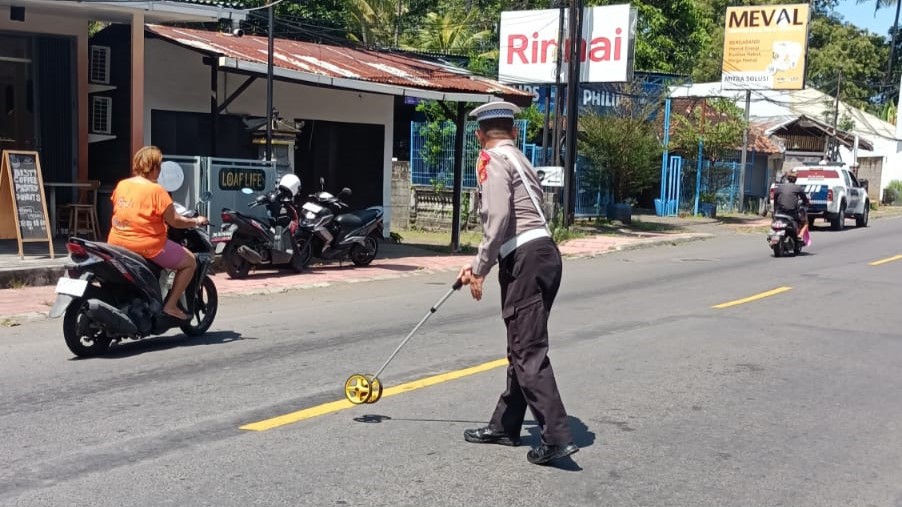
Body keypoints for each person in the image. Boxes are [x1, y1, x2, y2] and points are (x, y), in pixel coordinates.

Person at [457, 101, 578, 466]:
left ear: (481, 135)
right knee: (522, 344)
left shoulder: (492, 160)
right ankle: (506, 425)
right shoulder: (521, 160)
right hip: (544, 254)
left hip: (524, 259)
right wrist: (483, 264)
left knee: (527, 350)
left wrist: (479, 267)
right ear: (512, 132)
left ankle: (556, 438)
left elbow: (498, 218)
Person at [107, 146, 208, 321]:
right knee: (190, 261)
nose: (160, 170)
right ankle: (170, 305)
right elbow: (174, 220)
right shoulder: (157, 190)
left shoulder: (122, 185)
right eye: (159, 166)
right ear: (153, 167)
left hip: (116, 243)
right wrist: (196, 221)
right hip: (148, 246)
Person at [773, 168, 810, 241]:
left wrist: (775, 209)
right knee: (805, 222)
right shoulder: (798, 188)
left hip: (780, 213)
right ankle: (800, 235)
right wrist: (807, 203)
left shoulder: (780, 187)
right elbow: (805, 200)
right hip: (792, 214)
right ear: (795, 179)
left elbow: (775, 199)